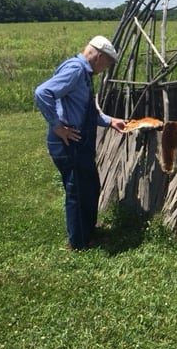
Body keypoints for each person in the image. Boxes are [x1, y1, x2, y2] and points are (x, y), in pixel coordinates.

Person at [34, 35, 126, 250]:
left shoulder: (82, 73)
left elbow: (86, 111)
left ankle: (88, 231)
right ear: (99, 57)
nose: (105, 69)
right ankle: (79, 242)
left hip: (79, 141)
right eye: (107, 64)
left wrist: (110, 121)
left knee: (90, 186)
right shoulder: (76, 70)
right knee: (77, 191)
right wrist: (57, 126)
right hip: (69, 142)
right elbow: (42, 92)